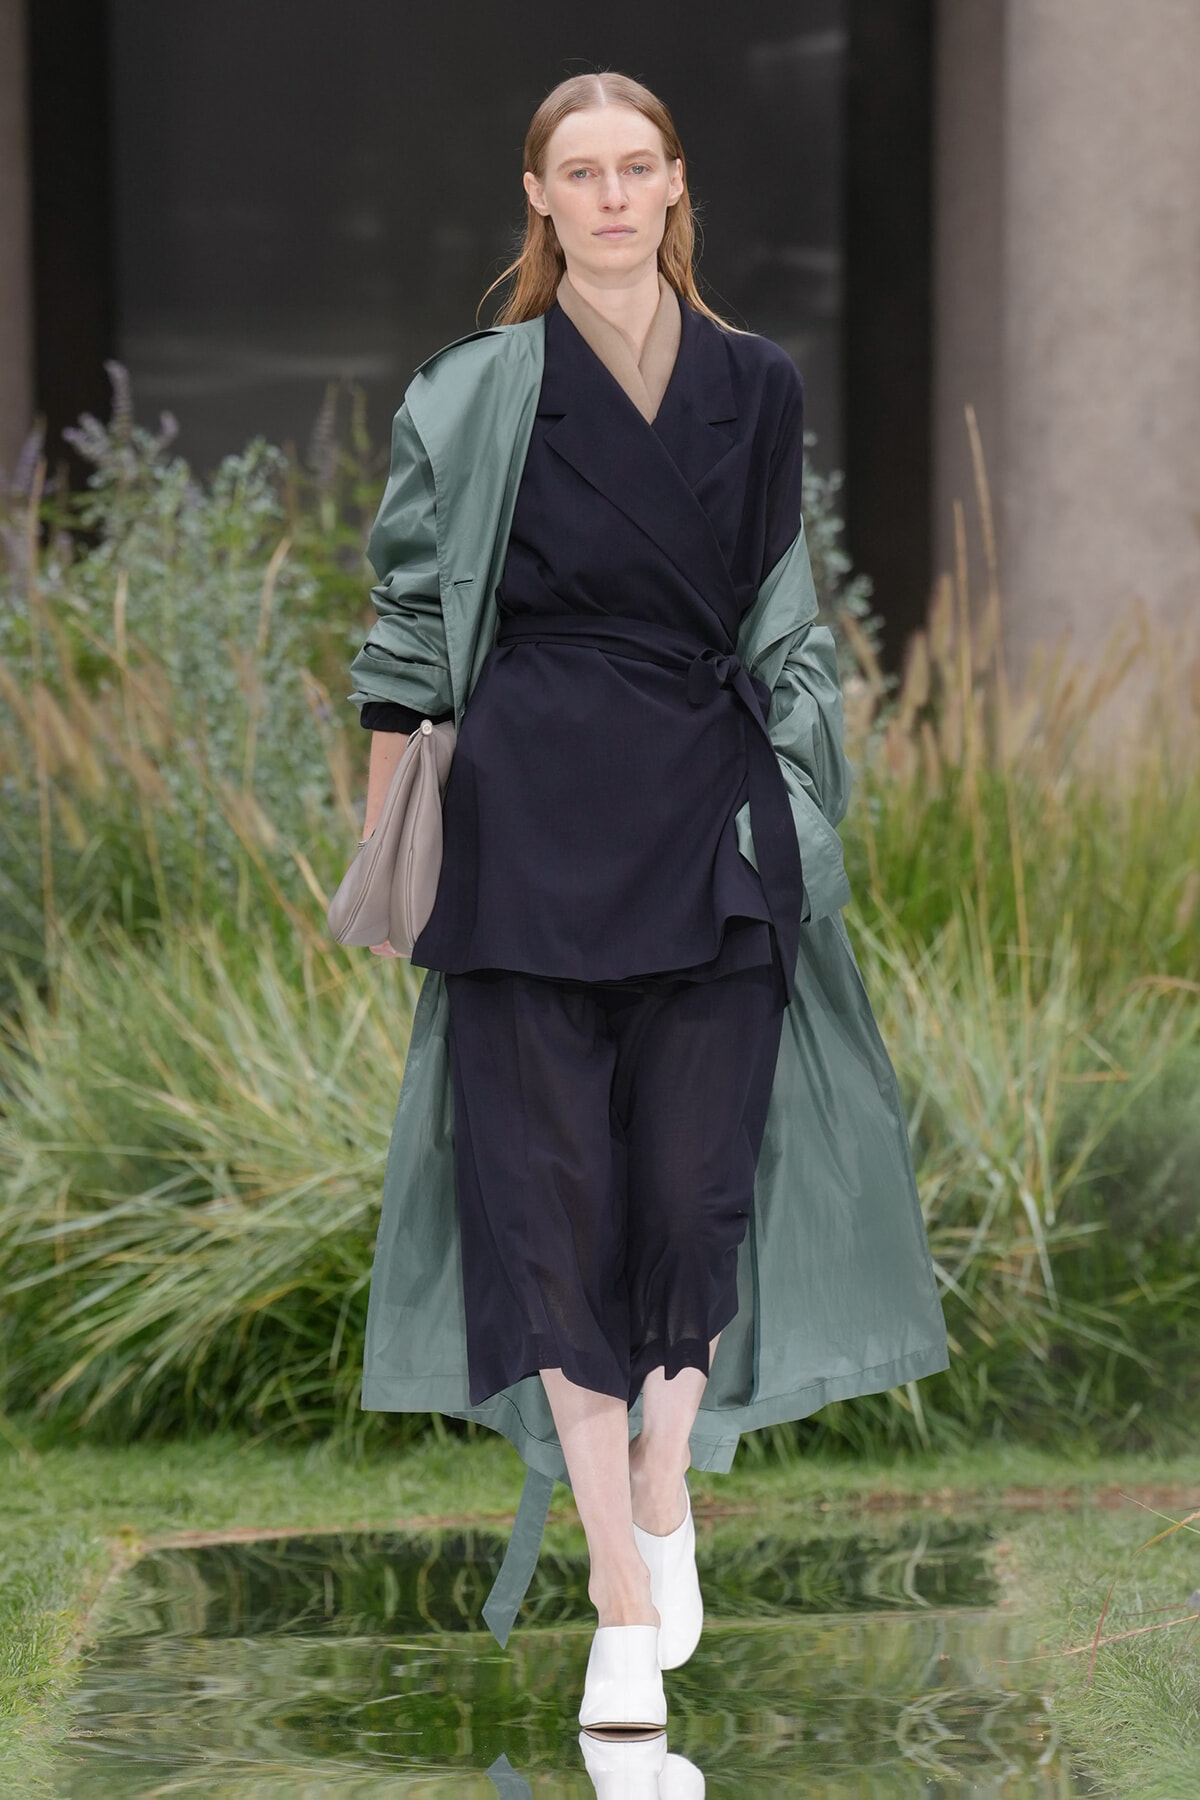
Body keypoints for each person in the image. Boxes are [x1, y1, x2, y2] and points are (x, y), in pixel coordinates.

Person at [347, 71, 948, 1739]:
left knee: (693, 1202)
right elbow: (409, 624)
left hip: (709, 820)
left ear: (675, 185)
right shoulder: (472, 391)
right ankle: (619, 1585)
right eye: (580, 171)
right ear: (538, 198)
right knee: (545, 1211)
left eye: (637, 166)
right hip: (522, 827)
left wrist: (801, 816)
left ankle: (664, 1472)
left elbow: (783, 620)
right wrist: (390, 845)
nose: (611, 195)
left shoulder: (758, 383)